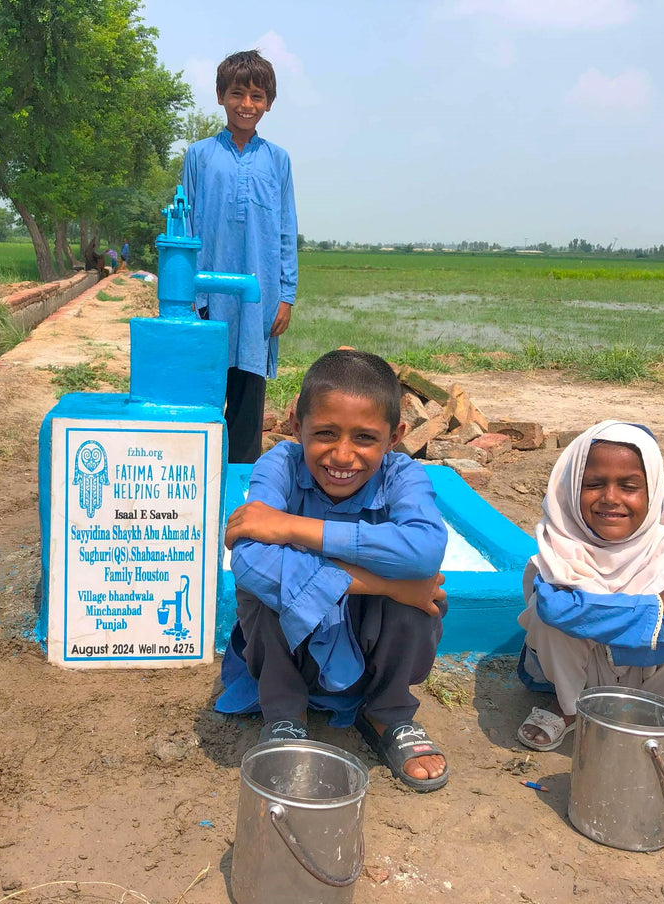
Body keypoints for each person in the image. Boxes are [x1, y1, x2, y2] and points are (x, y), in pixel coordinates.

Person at [218, 350, 450, 792]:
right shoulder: (279, 466)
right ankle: (287, 716)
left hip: (369, 645)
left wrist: (292, 527)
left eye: (365, 438)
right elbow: (248, 561)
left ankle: (387, 714)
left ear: (396, 436)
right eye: (324, 433)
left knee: (423, 602)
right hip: (294, 653)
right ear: (295, 425)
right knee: (263, 594)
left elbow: (424, 553)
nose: (343, 455)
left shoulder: (404, 476)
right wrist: (386, 584)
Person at [516, 420, 664, 776]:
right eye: (594, 484)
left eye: (629, 486)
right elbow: (556, 610)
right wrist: (658, 605)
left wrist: (612, 637)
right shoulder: (560, 547)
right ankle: (569, 706)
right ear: (570, 488)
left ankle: (662, 712)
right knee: (545, 612)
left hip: (647, 667)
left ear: (653, 493)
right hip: (584, 671)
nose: (610, 498)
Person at [181, 49, 297, 464]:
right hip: (209, 298)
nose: (247, 105)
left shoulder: (278, 160)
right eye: (238, 94)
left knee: (248, 403)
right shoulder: (199, 156)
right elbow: (186, 226)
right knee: (205, 396)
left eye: (257, 97)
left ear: (268, 103)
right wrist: (188, 295)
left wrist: (286, 295)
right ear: (220, 96)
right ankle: (199, 483)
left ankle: (240, 491)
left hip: (257, 300)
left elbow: (286, 230)